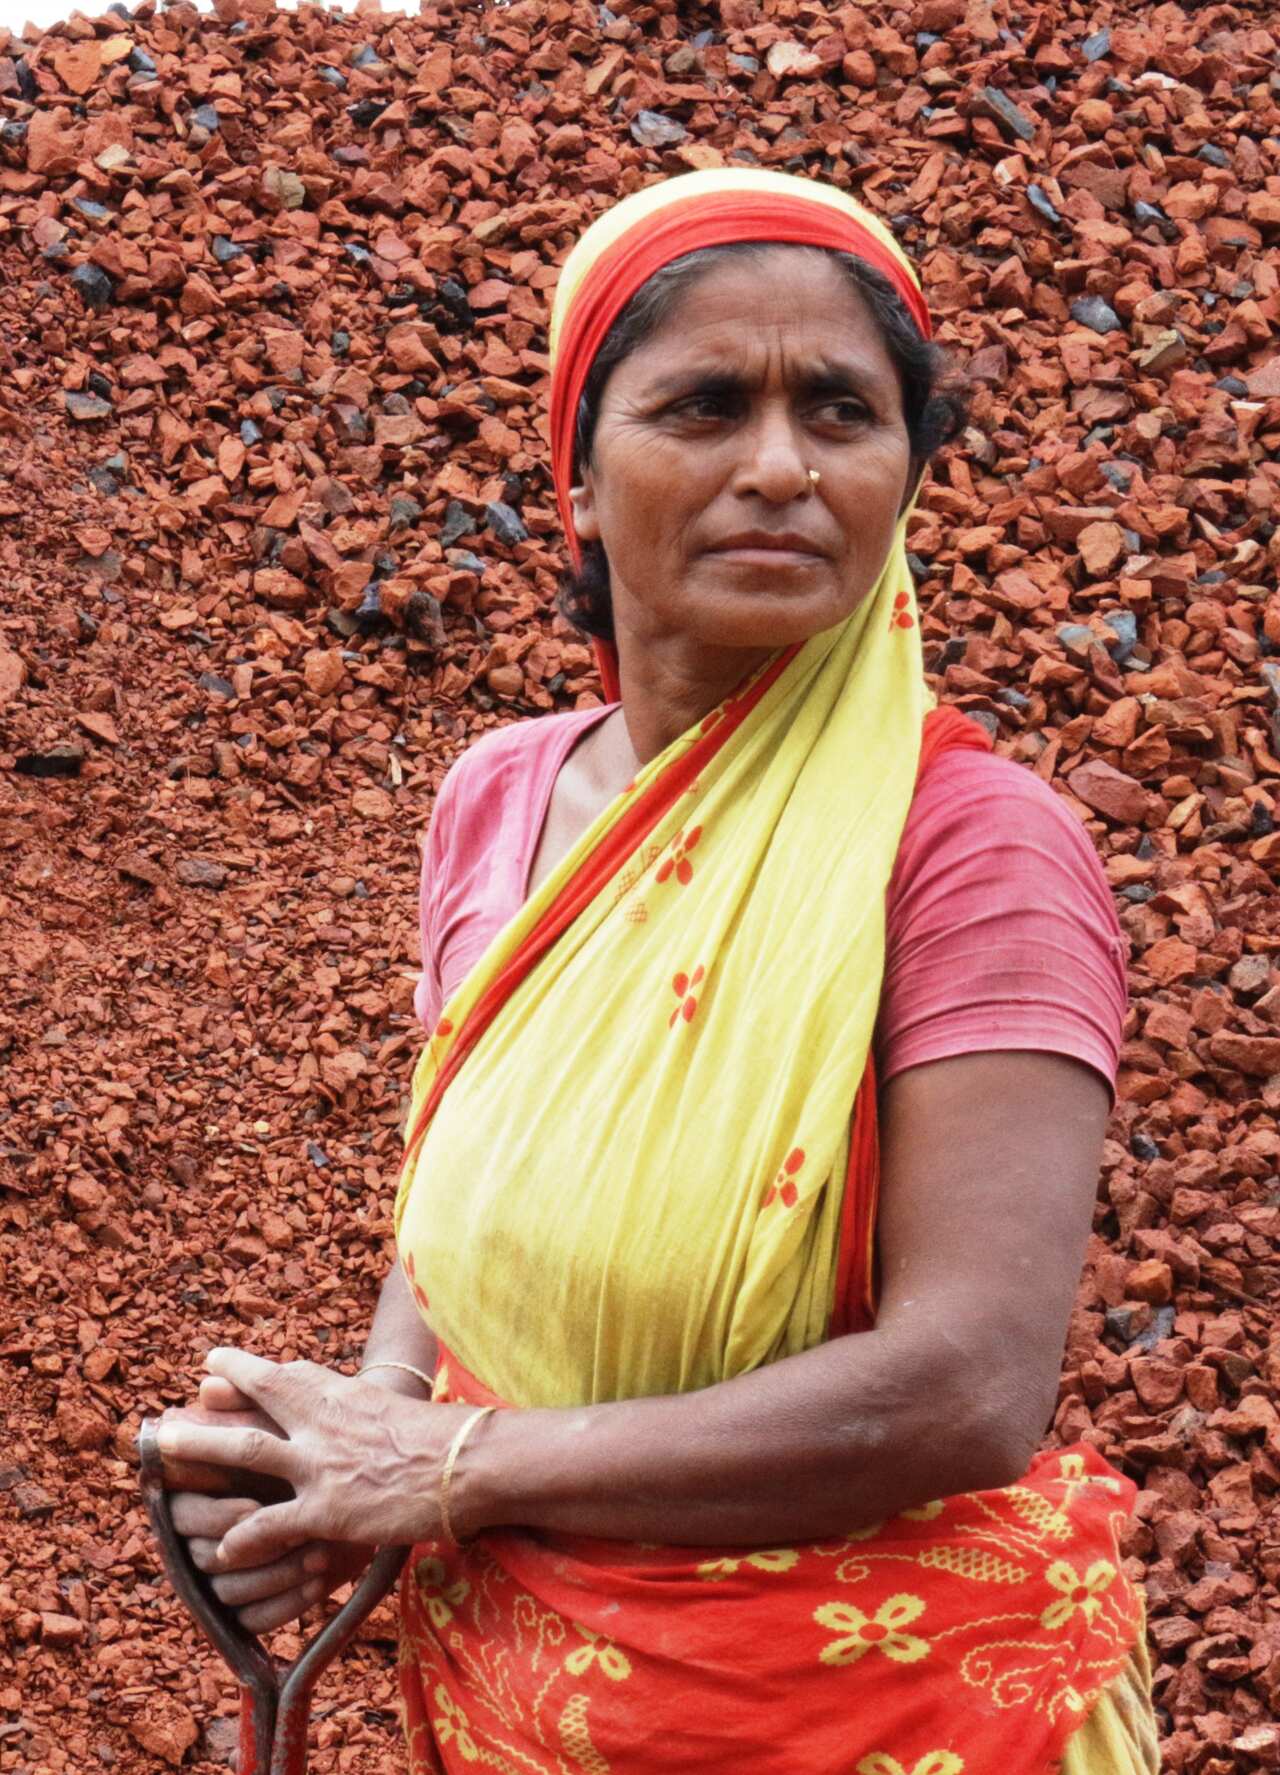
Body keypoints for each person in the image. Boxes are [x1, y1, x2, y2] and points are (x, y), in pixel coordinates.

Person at [158, 168, 1160, 1773]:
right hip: (520, 1698)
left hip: (880, 1714)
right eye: (703, 405)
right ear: (576, 477)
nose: (779, 466)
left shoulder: (971, 846)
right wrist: (359, 1435)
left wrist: (450, 1467)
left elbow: (966, 1385)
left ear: (905, 473)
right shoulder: (503, 796)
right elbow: (473, 1182)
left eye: (839, 411)